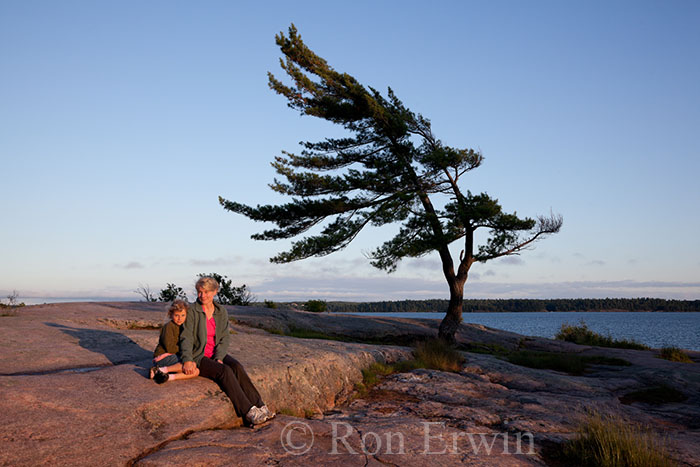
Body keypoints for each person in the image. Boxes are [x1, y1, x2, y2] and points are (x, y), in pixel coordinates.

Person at [180, 276, 273, 426]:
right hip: (198, 355)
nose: (202, 295)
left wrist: (219, 357)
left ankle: (261, 406)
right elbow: (186, 337)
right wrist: (187, 359)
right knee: (224, 371)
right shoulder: (192, 311)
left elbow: (224, 337)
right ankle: (249, 411)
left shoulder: (220, 311)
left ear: (215, 291)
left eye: (206, 292)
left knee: (236, 366)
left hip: (214, 352)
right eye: (199, 292)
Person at [151, 299, 200, 384]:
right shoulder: (168, 327)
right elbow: (170, 348)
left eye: (183, 315)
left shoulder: (185, 327)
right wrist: (186, 352)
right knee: (190, 365)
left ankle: (167, 377)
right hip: (163, 356)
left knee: (196, 371)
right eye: (177, 315)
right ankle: (158, 369)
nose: (180, 318)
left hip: (175, 356)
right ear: (171, 314)